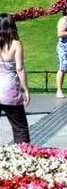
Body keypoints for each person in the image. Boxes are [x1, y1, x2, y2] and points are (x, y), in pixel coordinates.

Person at [0, 14, 30, 143]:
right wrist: (25, 90)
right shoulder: (15, 44)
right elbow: (19, 68)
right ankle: (23, 153)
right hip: (9, 89)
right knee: (20, 126)